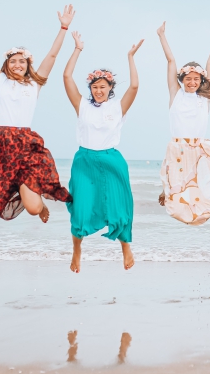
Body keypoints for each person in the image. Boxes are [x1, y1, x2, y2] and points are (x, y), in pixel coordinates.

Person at [0, 6, 75, 241]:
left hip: (25, 146)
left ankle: (36, 198)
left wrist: (63, 28)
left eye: (23, 61)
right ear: (7, 64)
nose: (18, 64)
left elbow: (51, 57)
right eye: (14, 61)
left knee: (35, 208)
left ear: (29, 65)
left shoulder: (34, 85)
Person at [63, 31, 143, 272]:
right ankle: (77, 250)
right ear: (91, 88)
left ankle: (125, 246)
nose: (99, 90)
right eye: (95, 87)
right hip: (85, 160)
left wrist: (130, 57)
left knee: (119, 207)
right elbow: (66, 76)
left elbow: (135, 85)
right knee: (80, 208)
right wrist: (77, 49)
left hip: (111, 160)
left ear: (110, 88)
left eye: (103, 87)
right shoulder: (82, 105)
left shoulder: (118, 107)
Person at [155, 21, 210, 225]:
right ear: (182, 79)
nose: (192, 82)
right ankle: (166, 191)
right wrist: (161, 36)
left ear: (201, 81)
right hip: (177, 147)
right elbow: (170, 61)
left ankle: (196, 214)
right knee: (176, 191)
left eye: (196, 79)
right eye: (188, 78)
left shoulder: (204, 99)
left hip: (200, 147)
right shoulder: (175, 94)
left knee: (206, 188)